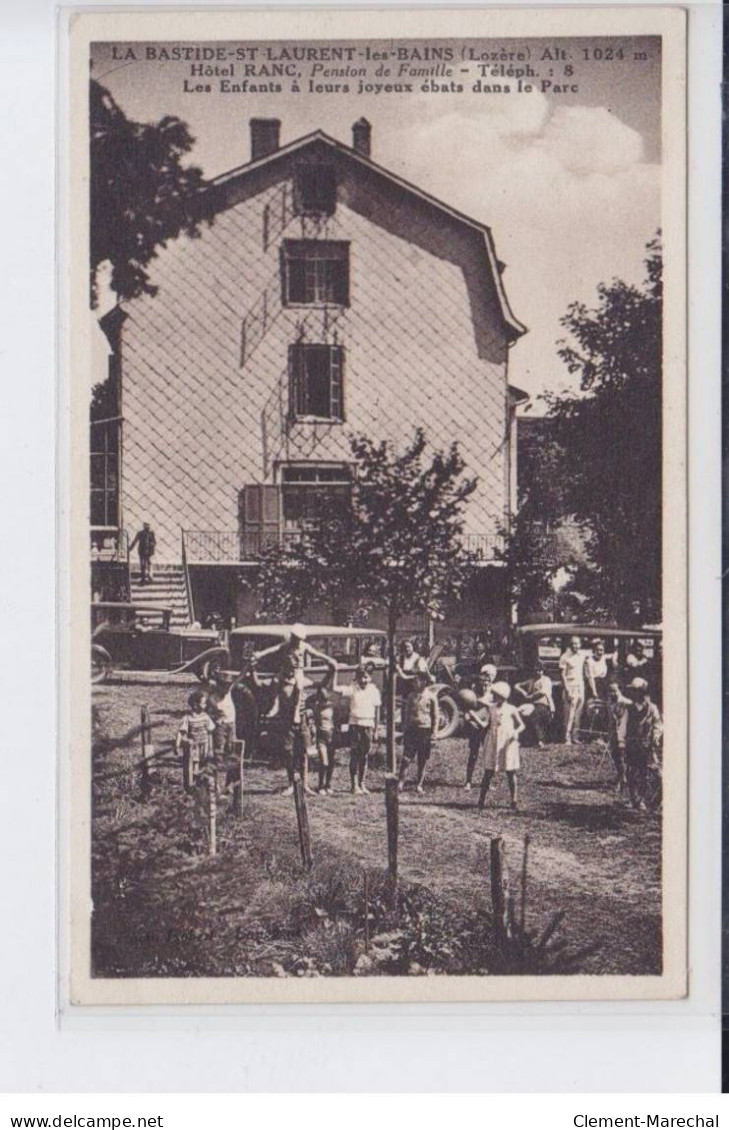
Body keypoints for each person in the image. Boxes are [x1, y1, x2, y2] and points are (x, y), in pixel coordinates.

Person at [477, 681, 525, 812]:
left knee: (510, 772)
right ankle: (481, 800)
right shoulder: (491, 708)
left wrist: (516, 732)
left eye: (496, 695)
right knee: (488, 772)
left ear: (503, 697)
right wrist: (474, 718)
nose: (494, 697)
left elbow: (521, 725)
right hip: (494, 740)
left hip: (507, 742)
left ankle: (514, 800)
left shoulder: (511, 709)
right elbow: (485, 723)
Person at [339, 664, 381, 795]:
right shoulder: (353, 689)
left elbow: (377, 711)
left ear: (370, 677)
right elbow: (337, 690)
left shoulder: (374, 690)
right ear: (357, 678)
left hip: (368, 725)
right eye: (361, 678)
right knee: (355, 755)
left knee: (365, 755)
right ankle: (354, 785)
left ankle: (362, 783)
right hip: (355, 725)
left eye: (366, 677)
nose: (364, 680)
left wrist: (376, 729)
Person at [625, 677, 663, 811]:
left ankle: (644, 799)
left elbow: (658, 724)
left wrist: (656, 736)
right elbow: (622, 725)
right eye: (632, 691)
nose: (634, 693)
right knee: (631, 772)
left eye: (636, 691)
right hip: (632, 744)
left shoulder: (652, 708)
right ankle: (633, 798)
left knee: (648, 772)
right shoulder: (628, 707)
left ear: (642, 692)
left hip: (646, 744)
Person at [398, 671, 438, 794]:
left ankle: (419, 785)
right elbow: (405, 713)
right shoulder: (411, 696)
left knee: (422, 760)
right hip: (411, 730)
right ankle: (400, 783)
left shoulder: (431, 696)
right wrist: (404, 727)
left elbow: (435, 716)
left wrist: (434, 733)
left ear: (424, 682)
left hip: (424, 731)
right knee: (406, 759)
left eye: (416, 681)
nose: (413, 683)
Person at [463, 664, 496, 789]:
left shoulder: (492, 693)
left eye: (487, 683)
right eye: (482, 683)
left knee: (489, 755)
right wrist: (475, 720)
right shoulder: (472, 694)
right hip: (476, 727)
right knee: (473, 754)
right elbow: (468, 710)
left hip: (487, 726)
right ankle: (468, 781)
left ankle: (487, 782)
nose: (485, 686)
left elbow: (493, 707)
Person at [176, 690, 215, 789]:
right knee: (194, 766)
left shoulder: (206, 717)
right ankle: (192, 786)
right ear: (195, 705)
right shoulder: (188, 718)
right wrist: (177, 745)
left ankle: (204, 786)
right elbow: (181, 732)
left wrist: (210, 749)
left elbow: (210, 733)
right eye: (203, 703)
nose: (205, 705)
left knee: (205, 765)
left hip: (204, 745)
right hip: (193, 747)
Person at [515, 662, 554, 747]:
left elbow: (542, 692)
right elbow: (516, 686)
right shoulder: (531, 680)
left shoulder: (546, 680)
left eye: (540, 670)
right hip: (532, 705)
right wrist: (523, 692)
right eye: (536, 670)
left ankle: (540, 740)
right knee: (518, 712)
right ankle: (521, 740)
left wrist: (530, 696)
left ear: (543, 671)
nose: (538, 672)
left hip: (544, 705)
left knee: (535, 716)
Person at [606, 674, 631, 796]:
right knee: (615, 757)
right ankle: (621, 777)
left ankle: (623, 781)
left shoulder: (626, 703)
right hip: (613, 736)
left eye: (615, 691)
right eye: (610, 691)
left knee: (622, 758)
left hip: (624, 735)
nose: (613, 693)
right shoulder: (610, 703)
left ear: (620, 690)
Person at [559, 635, 586, 744]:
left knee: (578, 713)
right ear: (570, 644)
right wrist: (567, 689)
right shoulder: (565, 657)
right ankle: (567, 738)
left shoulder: (582, 655)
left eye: (578, 643)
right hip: (570, 686)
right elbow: (562, 675)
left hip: (580, 686)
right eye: (574, 643)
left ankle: (576, 737)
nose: (576, 646)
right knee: (569, 713)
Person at [207, 673, 237, 767]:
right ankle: (218, 763)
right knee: (220, 744)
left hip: (231, 723)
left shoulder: (228, 693)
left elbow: (239, 678)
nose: (226, 689)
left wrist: (248, 666)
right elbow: (208, 713)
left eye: (228, 687)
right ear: (218, 686)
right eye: (224, 687)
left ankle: (229, 762)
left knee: (231, 743)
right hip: (221, 724)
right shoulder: (213, 698)